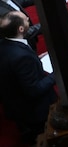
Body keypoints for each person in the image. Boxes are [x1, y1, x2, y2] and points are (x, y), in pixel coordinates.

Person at [0, 12, 56, 143]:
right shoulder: (20, 57)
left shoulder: (5, 44)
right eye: (26, 20)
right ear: (21, 29)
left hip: (14, 101)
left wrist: (36, 59)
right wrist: (56, 75)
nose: (28, 20)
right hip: (34, 111)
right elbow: (34, 90)